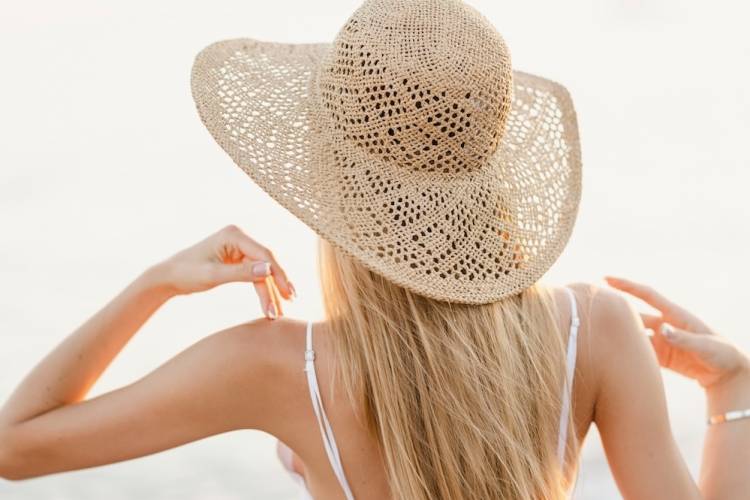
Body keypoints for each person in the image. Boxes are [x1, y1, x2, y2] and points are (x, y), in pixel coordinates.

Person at [1, 0, 748, 498]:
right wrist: (733, 392)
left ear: (331, 181)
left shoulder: (272, 368)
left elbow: (17, 446)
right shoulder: (595, 329)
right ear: (490, 175)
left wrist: (156, 284)